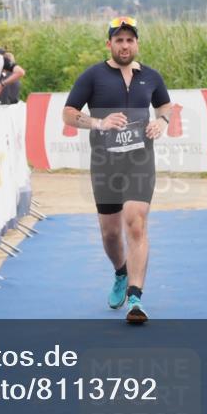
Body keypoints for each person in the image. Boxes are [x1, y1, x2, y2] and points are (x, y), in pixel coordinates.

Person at [62, 17, 171, 324]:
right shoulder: (93, 76)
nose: (125, 45)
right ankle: (120, 273)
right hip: (105, 163)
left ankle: (135, 298)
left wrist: (161, 122)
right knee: (111, 234)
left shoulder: (151, 77)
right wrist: (99, 122)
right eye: (119, 40)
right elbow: (68, 114)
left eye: (130, 40)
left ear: (137, 43)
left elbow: (165, 106)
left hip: (139, 161)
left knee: (135, 222)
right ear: (109, 44)